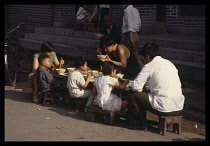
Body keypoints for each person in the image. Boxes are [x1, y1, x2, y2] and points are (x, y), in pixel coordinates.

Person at [126, 42, 185, 130]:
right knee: (144, 92)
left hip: (164, 107)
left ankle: (138, 122)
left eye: (143, 58)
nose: (144, 61)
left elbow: (136, 86)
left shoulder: (149, 65)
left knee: (132, 93)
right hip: (179, 106)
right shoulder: (169, 64)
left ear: (147, 56)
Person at [120, 5, 144, 70]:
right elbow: (139, 23)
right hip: (135, 34)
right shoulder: (135, 10)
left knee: (128, 54)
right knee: (134, 54)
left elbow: (130, 25)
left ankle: (138, 69)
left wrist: (130, 37)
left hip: (128, 35)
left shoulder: (127, 11)